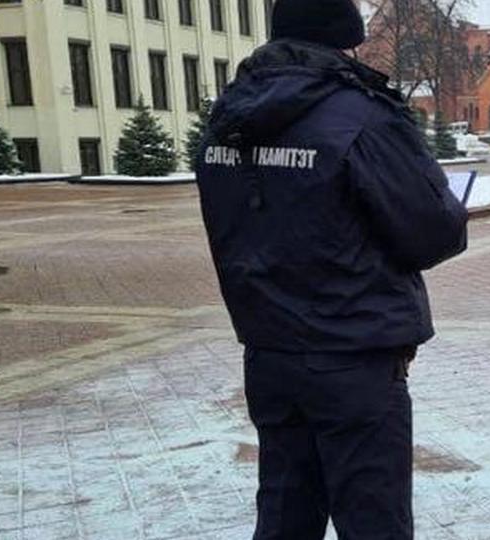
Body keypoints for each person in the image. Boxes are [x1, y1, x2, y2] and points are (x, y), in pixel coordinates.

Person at [194, 0, 469, 538]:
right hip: (354, 358)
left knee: (284, 517)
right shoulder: (362, 114)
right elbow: (434, 232)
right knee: (373, 523)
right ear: (345, 38)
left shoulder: (229, 116)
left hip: (269, 354)